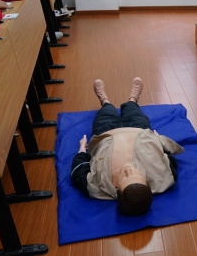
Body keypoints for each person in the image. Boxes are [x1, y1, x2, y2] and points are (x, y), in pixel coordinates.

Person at [71, 77, 184, 216]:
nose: (128, 169)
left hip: (106, 132)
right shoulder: (165, 178)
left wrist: (82, 149)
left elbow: (78, 170)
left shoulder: (96, 187)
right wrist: (158, 139)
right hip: (138, 129)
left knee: (107, 110)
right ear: (148, 184)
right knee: (132, 108)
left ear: (117, 191)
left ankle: (104, 100)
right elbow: (169, 158)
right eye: (136, 174)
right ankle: (133, 99)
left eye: (124, 177)